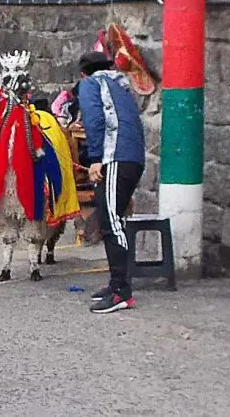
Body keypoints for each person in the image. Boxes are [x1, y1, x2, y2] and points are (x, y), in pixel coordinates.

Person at [76, 51, 146, 314]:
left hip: (115, 155)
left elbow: (94, 120)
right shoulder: (121, 84)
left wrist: (95, 159)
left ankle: (121, 291)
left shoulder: (91, 84)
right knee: (114, 218)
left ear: (84, 72)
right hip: (133, 156)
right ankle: (117, 283)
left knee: (111, 220)